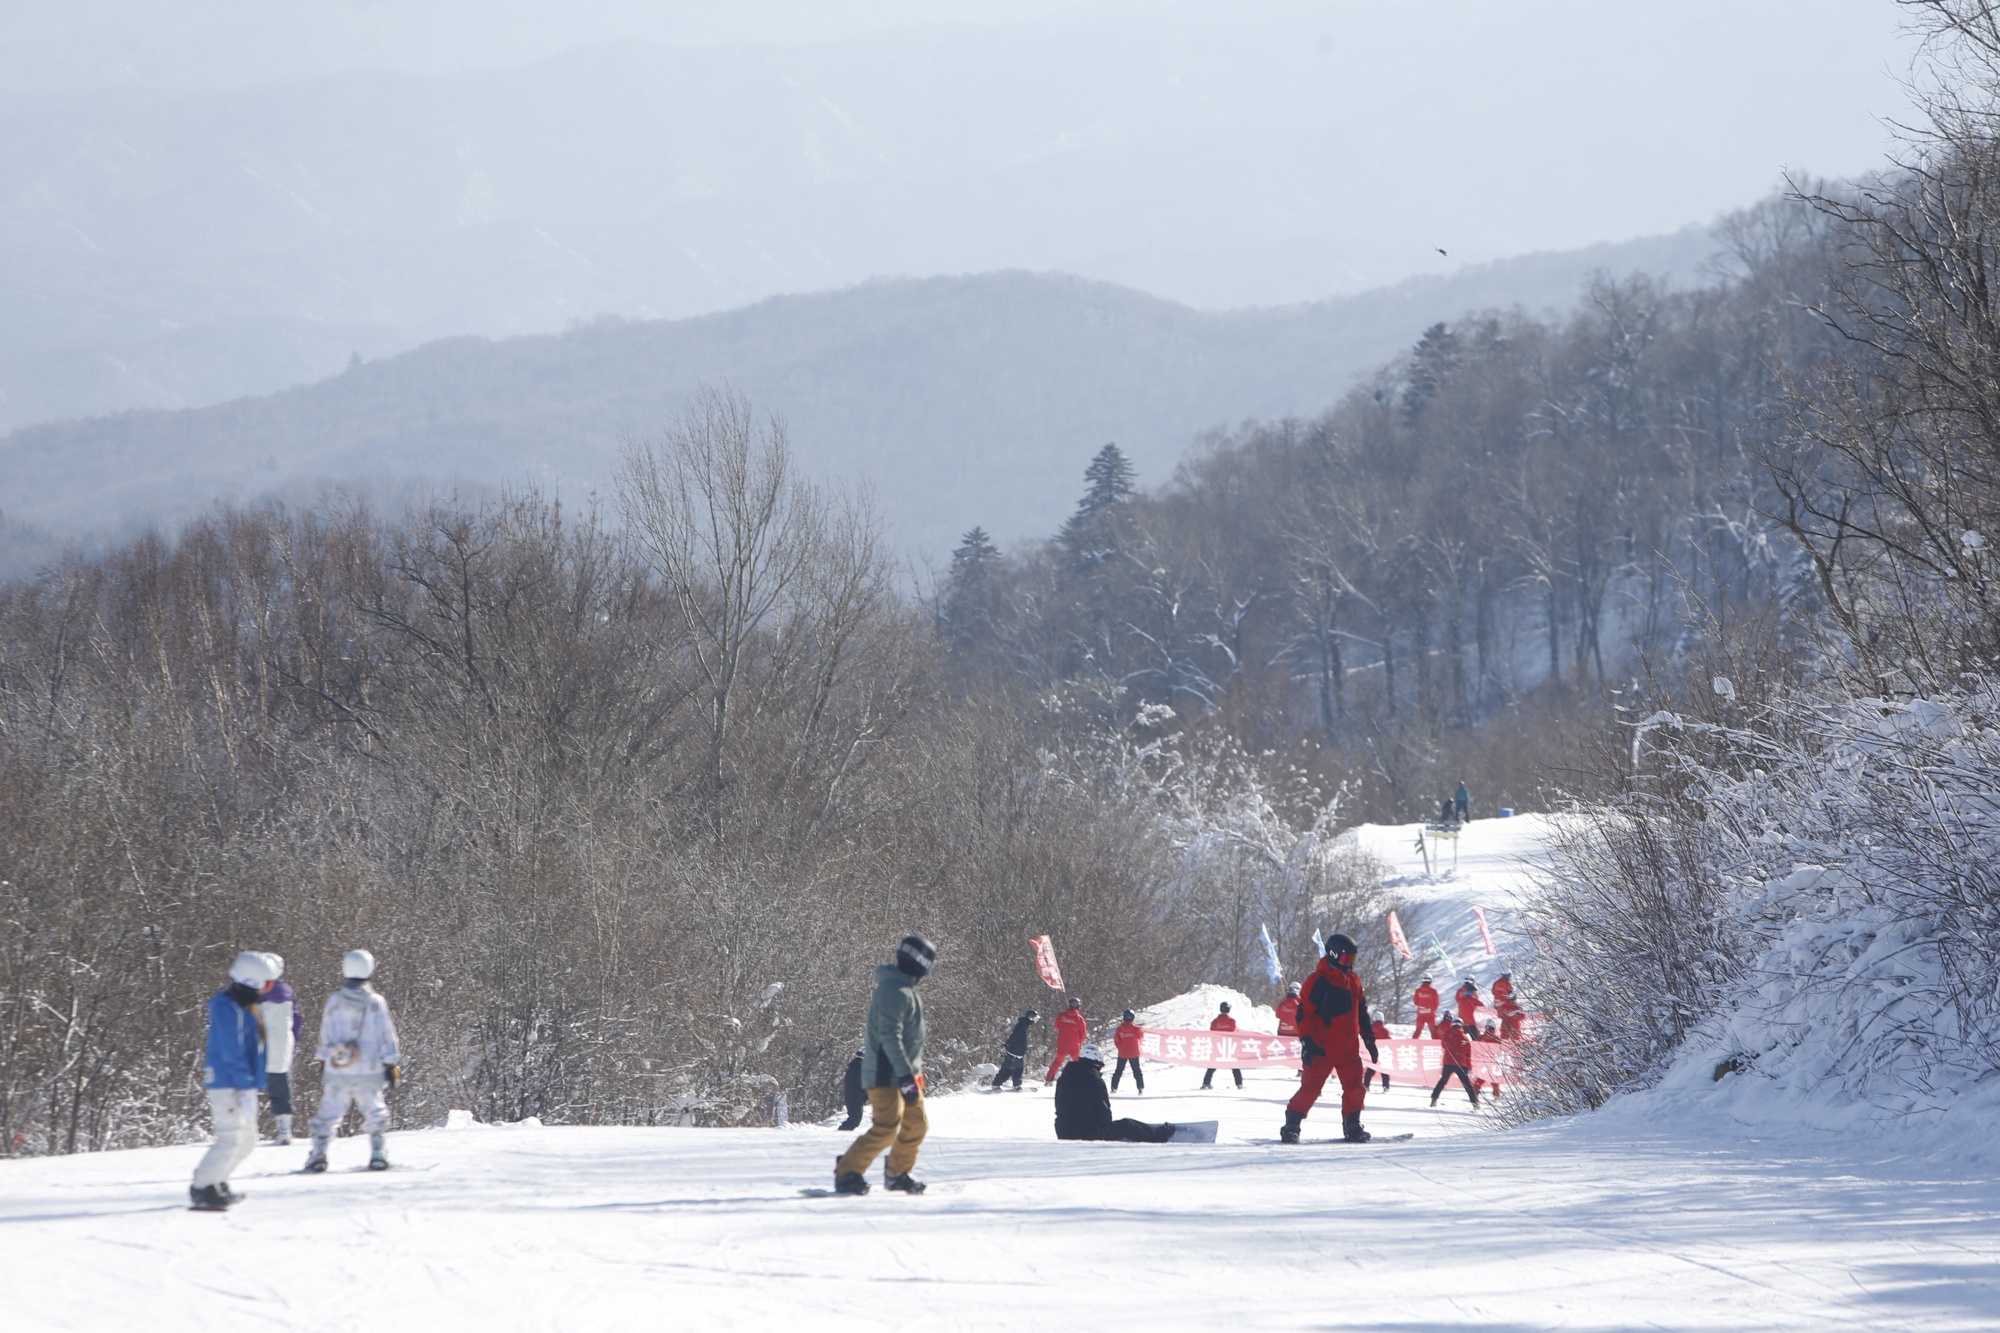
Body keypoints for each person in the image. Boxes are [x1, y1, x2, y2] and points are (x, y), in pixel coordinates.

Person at [834, 934, 937, 1195]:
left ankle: (898, 1173)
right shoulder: (894, 992)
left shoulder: (905, 990)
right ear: (920, 963)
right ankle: (848, 1170)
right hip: (886, 1073)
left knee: (917, 1125)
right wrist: (904, 1075)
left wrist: (911, 1074)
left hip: (906, 1073)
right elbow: (890, 1036)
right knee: (887, 1127)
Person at [190, 951, 276, 1210]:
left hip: (242, 1082)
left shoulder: (242, 1006)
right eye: (266, 984)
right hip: (229, 1083)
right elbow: (231, 1048)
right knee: (230, 1137)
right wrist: (244, 1083)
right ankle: (202, 1188)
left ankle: (216, 1181)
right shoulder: (228, 1007)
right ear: (252, 981)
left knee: (247, 1139)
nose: (267, 990)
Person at [304, 949, 401, 1174]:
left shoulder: (335, 1000)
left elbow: (325, 1032)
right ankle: (378, 1152)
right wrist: (391, 1063)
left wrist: (322, 1059)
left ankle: (319, 1152)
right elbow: (387, 1034)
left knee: (329, 1111)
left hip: (339, 1066)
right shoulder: (375, 1002)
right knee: (374, 1109)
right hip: (369, 1067)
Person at [1281, 931, 1379, 1144]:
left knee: (1356, 1089)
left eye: (1352, 959)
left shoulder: (1354, 980)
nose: (1350, 964)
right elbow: (1304, 1014)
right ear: (1334, 955)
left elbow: (1361, 1012)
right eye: (1346, 959)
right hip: (1321, 1048)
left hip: (1348, 1049)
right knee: (1311, 1089)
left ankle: (1352, 1126)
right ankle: (1291, 1125)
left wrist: (1369, 1038)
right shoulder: (1317, 981)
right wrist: (1307, 1043)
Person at [1054, 1044, 1177, 1142]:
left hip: (1063, 1131)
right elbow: (1105, 1117)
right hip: (1089, 1134)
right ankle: (1160, 1135)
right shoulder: (1095, 1082)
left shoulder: (1063, 1079)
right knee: (1127, 1124)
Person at [259, 952, 301, 1146]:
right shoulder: (287, 991)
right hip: (282, 1045)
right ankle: (284, 1129)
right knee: (281, 1086)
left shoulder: (254, 991)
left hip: (257, 1046)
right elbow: (297, 1020)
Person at [1430, 1014, 1478, 1107]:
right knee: (1467, 1084)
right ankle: (1474, 1102)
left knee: (1443, 1081)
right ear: (1461, 1025)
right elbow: (1468, 1054)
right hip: (1461, 1064)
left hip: (1448, 1062)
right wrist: (1469, 1067)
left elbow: (1443, 1045)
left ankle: (1434, 1098)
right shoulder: (1465, 1037)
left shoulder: (1447, 1034)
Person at [1198, 1001, 1242, 1090]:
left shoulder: (1214, 1022)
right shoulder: (1232, 1021)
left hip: (1217, 1047)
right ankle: (1239, 1084)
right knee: (1235, 1066)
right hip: (1229, 1046)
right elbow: (1234, 1033)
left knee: (1212, 1065)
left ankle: (1206, 1083)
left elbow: (1212, 1034)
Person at [992, 1008, 1037, 1091]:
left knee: (1019, 1070)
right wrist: (1006, 1045)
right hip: (1013, 1052)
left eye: (1034, 1017)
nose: (1034, 1019)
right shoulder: (1021, 1025)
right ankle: (996, 1084)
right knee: (1007, 1070)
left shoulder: (1026, 1025)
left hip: (1020, 1053)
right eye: (1032, 1017)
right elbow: (1014, 1036)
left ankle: (1016, 1085)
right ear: (1028, 1017)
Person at [1046, 997, 1087, 1084]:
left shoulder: (1061, 1015)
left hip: (1062, 1042)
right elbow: (1083, 1033)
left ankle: (1049, 1079)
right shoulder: (1079, 1018)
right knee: (1078, 1062)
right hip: (1074, 1043)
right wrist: (1079, 1042)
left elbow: (1056, 1025)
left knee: (1058, 1061)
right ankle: (1082, 1079)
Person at [1112, 1009, 1146, 1093]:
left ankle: (1114, 1087)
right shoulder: (1137, 1029)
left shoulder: (1119, 1029)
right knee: (1137, 1070)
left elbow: (1116, 1041)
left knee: (1118, 1071)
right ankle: (1140, 1087)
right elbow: (1141, 1036)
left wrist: (1121, 1047)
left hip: (1122, 1053)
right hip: (1134, 1052)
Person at [838, 1047, 866, 1130]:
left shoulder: (857, 1065)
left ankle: (841, 1133)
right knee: (854, 1119)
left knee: (855, 1119)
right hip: (854, 1097)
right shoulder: (858, 1066)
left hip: (855, 1096)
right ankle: (840, 1133)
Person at [1368, 1017, 1393, 1092]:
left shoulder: (1370, 1029)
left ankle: (1366, 1085)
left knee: (1371, 1069)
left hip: (1373, 1051)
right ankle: (1385, 1086)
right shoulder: (1385, 1030)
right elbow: (1389, 1040)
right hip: (1383, 1052)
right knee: (1384, 1070)